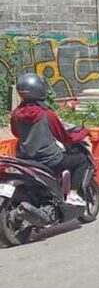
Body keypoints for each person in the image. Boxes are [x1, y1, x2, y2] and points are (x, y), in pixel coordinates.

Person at [10, 73, 89, 207]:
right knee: (81, 160)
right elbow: (64, 137)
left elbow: (16, 133)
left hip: (25, 160)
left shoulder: (16, 114)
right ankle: (73, 195)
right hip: (49, 160)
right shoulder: (47, 114)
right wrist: (83, 133)